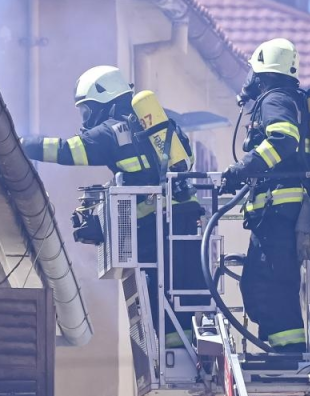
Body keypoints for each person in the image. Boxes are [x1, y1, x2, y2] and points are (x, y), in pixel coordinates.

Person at [20, 66, 203, 348]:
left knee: (157, 293)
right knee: (184, 289)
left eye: (86, 110)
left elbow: (67, 150)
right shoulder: (161, 122)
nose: (86, 118)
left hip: (153, 228)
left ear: (102, 100)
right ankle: (190, 349)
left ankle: (175, 352)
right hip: (184, 221)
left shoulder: (111, 131)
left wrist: (22, 144)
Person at [220, 38, 310, 352]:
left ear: (260, 73)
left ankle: (288, 352)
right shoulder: (287, 97)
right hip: (276, 210)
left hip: (278, 210)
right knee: (264, 283)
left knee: (268, 284)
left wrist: (244, 167)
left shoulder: (274, 99)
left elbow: (284, 140)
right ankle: (283, 347)